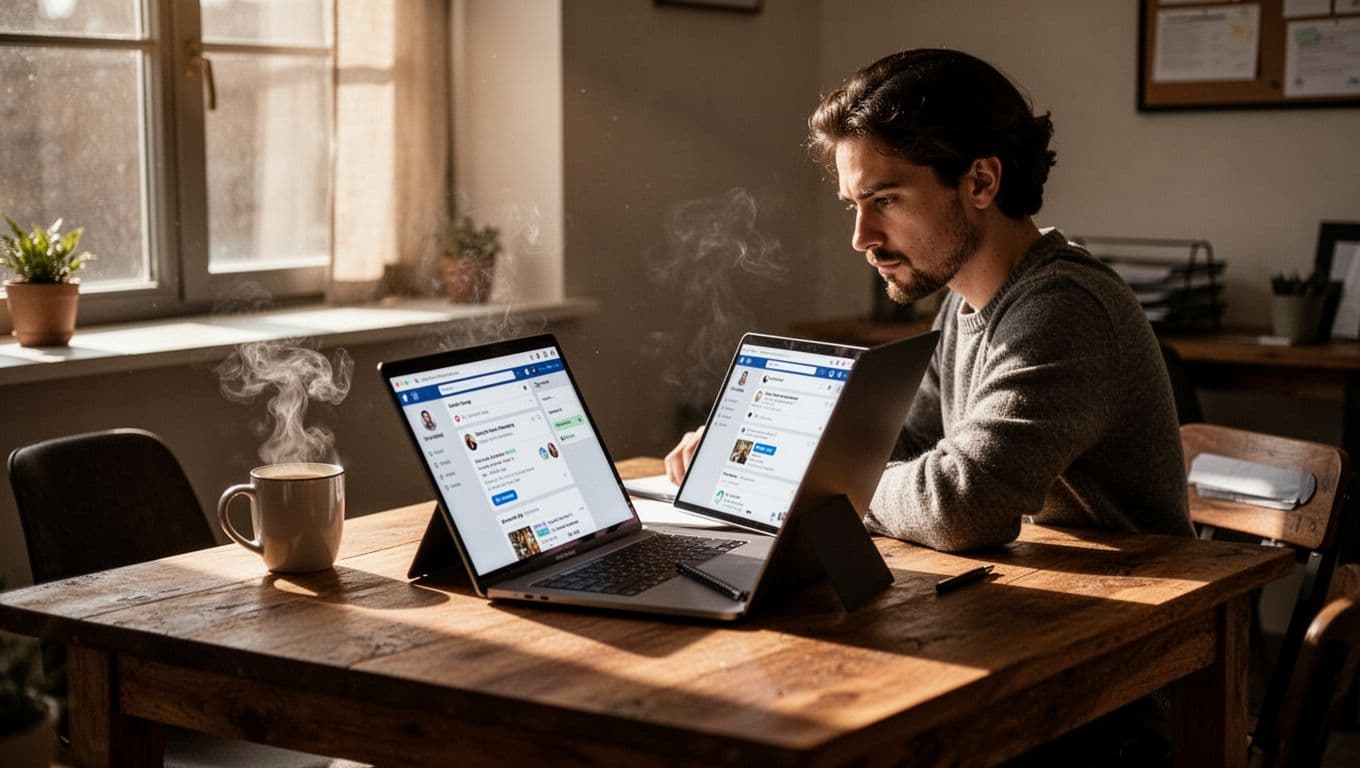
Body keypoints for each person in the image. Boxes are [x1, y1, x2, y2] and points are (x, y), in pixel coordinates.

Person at [666, 48, 1192, 553]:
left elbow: (961, 505)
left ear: (981, 182)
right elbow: (903, 444)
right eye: (855, 205)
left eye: (885, 200)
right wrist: (758, 452)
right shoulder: (965, 302)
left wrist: (801, 483)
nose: (861, 237)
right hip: (1043, 602)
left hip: (1148, 627)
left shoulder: (1065, 308)